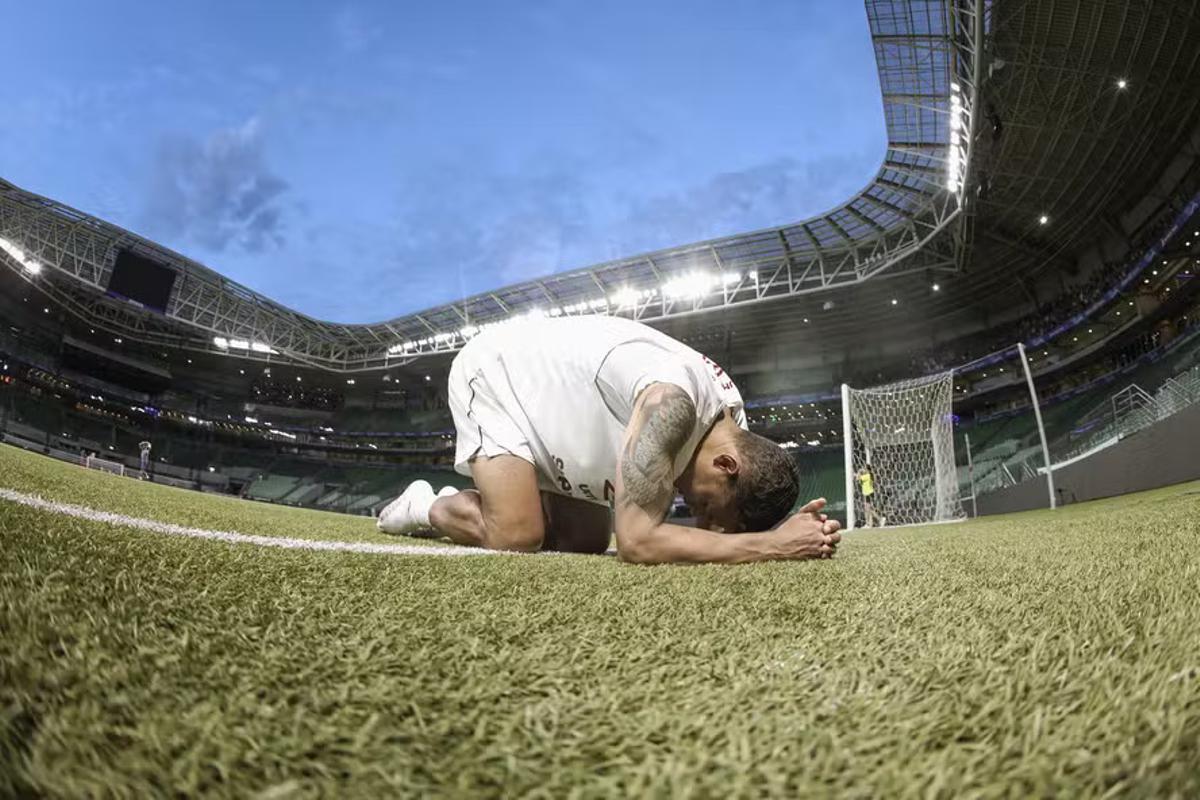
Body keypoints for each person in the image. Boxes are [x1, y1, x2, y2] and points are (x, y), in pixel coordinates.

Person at [377, 316, 841, 563]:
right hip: (503, 377)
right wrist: (773, 547)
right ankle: (424, 506)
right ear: (725, 466)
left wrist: (773, 529)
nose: (696, 515)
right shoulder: (671, 405)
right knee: (517, 535)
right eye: (705, 506)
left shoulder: (731, 422)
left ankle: (513, 496)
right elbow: (637, 543)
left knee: (583, 541)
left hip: (565, 415)